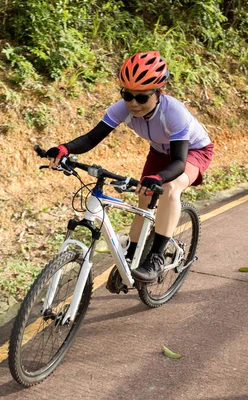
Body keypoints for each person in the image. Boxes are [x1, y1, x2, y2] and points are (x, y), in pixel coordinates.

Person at [47, 51, 213, 283]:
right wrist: (64, 148)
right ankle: (133, 255)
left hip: (192, 152)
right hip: (159, 150)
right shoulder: (122, 108)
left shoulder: (174, 113)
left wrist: (159, 177)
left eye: (142, 98)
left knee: (170, 188)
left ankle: (156, 258)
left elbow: (177, 162)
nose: (133, 103)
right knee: (143, 198)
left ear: (159, 93)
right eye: (127, 95)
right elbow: (91, 138)